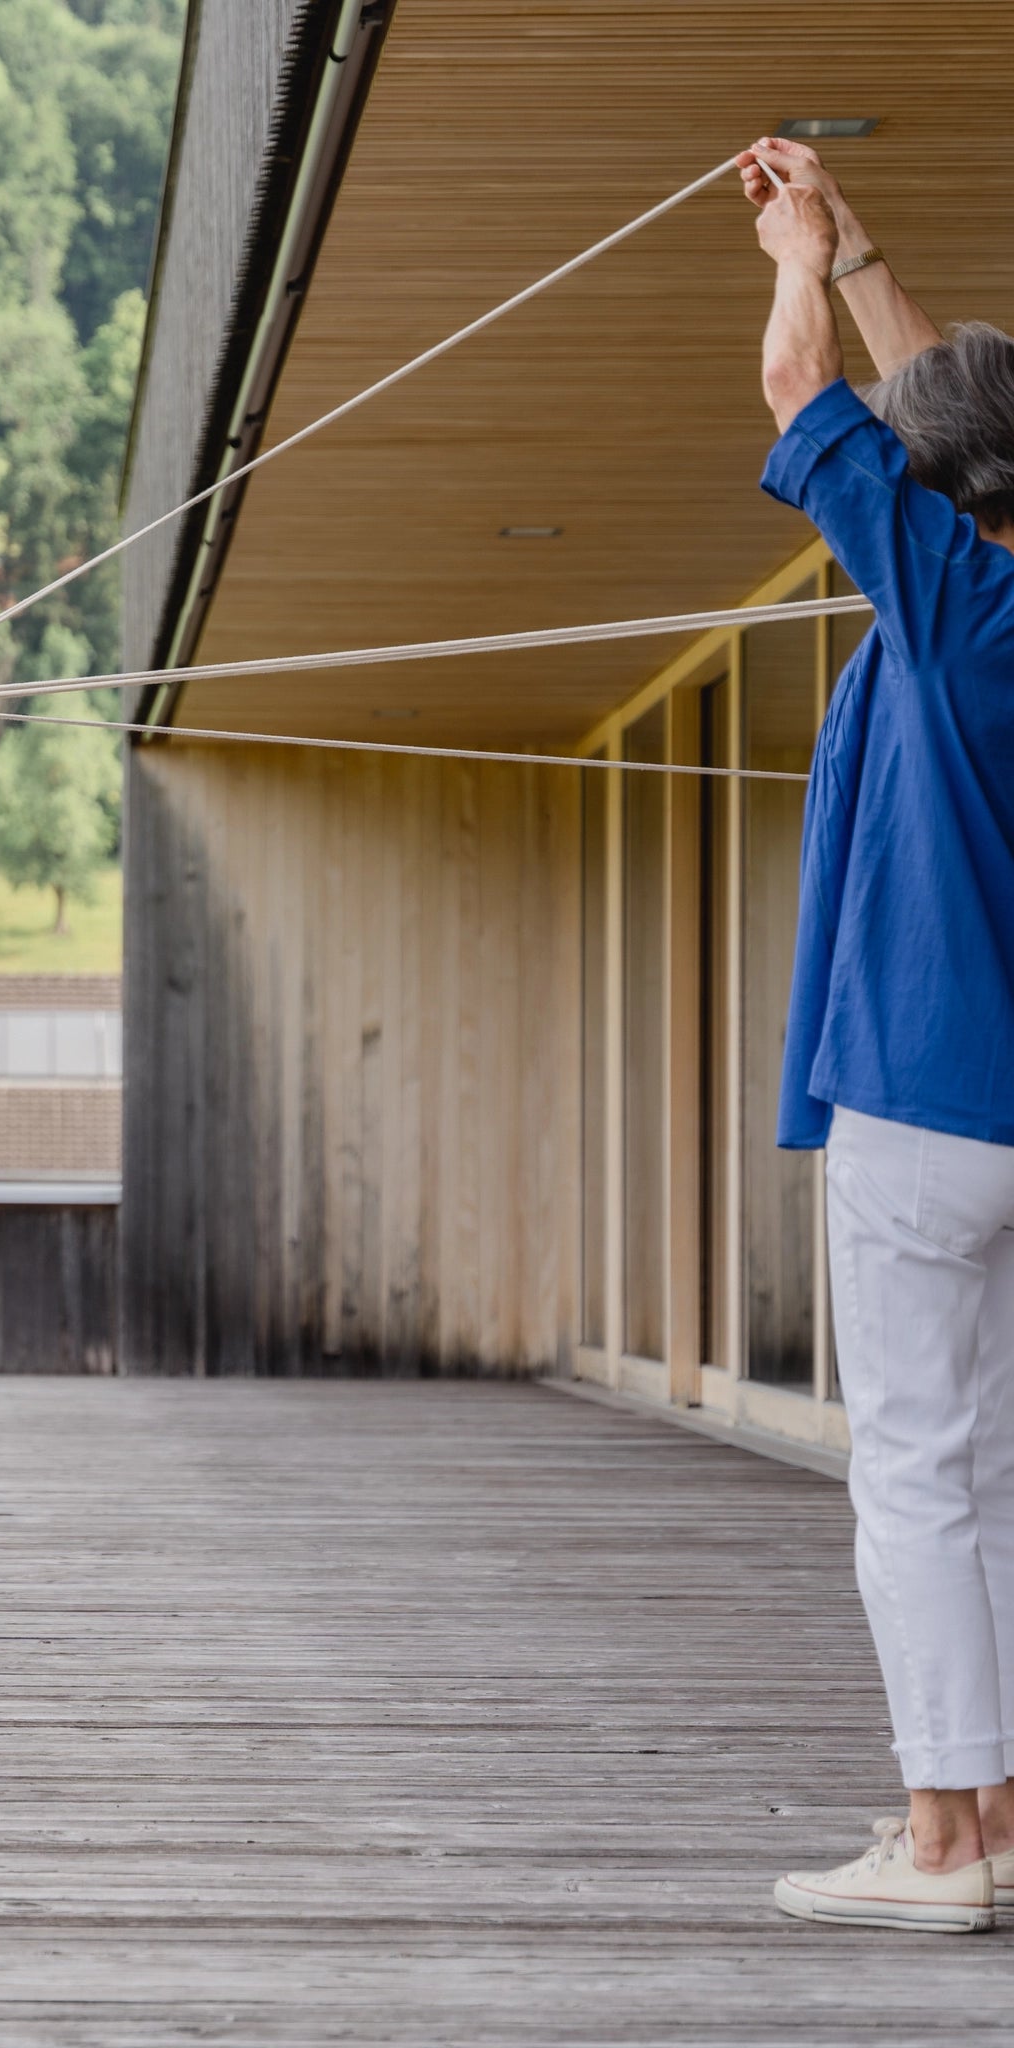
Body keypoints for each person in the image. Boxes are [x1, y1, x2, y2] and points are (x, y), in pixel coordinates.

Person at [745, 138, 1014, 1933]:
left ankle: (941, 1841)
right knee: (988, 1468)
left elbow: (805, 397)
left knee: (922, 1472)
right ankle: (988, 1806)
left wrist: (786, 258)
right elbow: (946, 422)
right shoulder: (966, 576)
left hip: (927, 1100)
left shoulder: (945, 602)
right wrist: (856, 250)